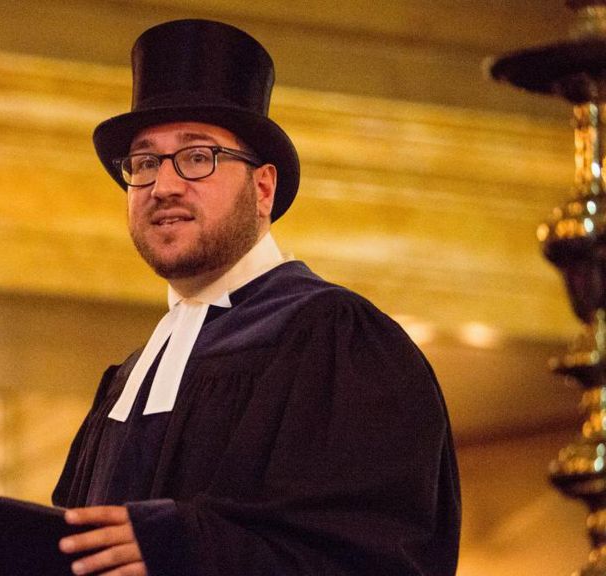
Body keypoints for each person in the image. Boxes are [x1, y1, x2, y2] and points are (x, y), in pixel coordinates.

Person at [52, 19, 461, 576]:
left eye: (198, 156)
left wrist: (183, 548)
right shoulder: (129, 379)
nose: (164, 185)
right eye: (145, 163)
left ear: (263, 188)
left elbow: (375, 559)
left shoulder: (338, 341)